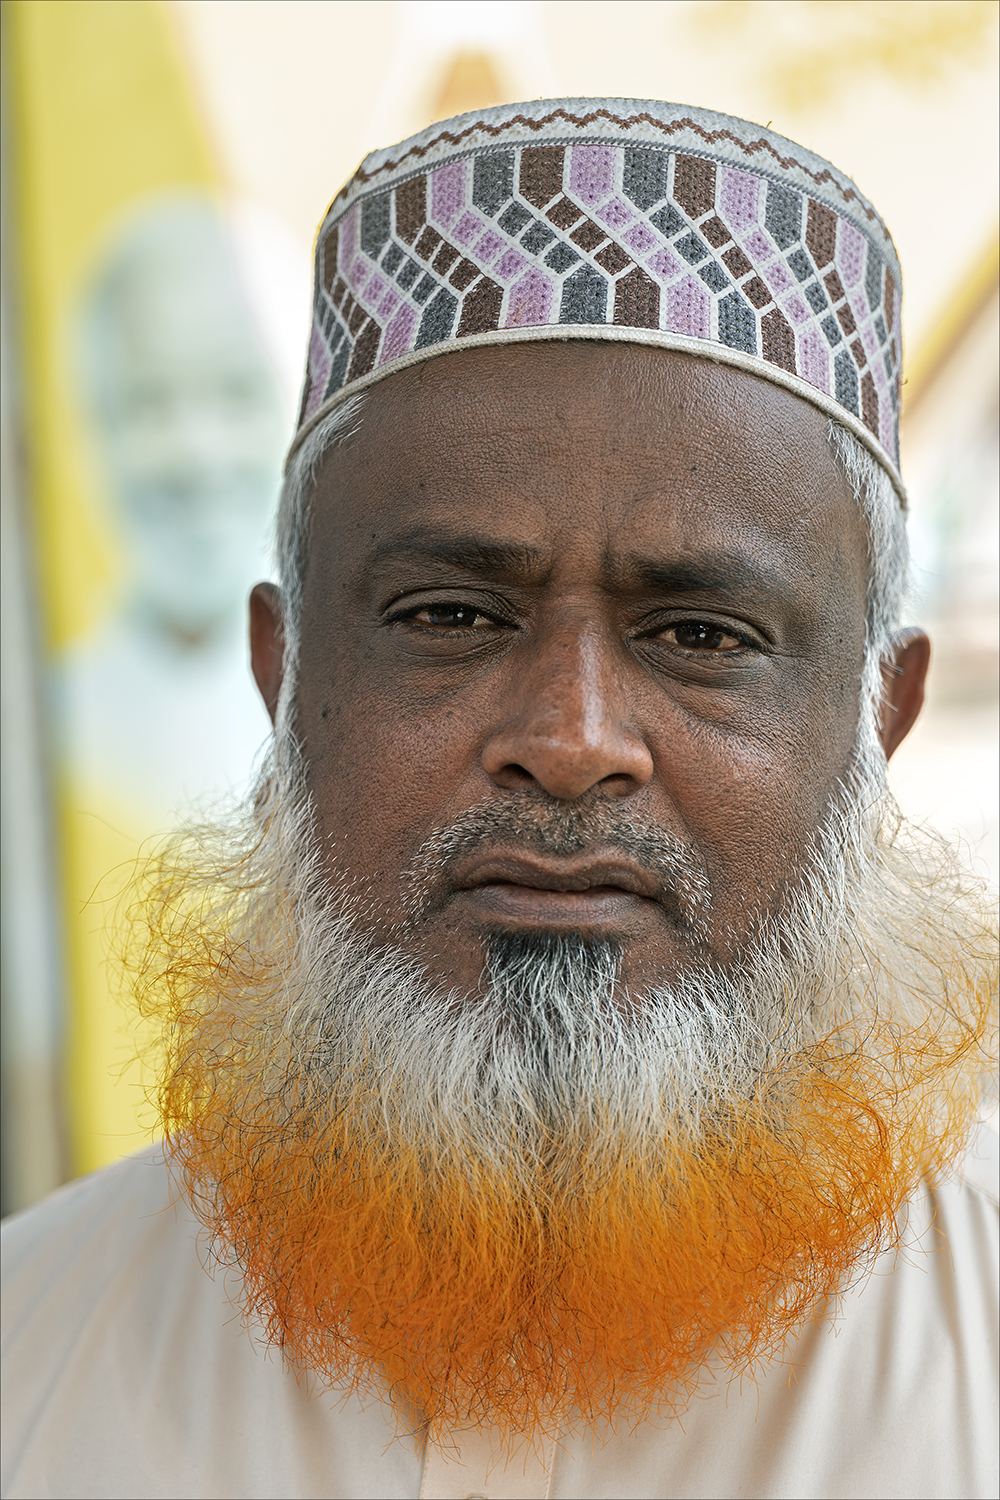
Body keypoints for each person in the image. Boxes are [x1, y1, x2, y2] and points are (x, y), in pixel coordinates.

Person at [2, 98, 997, 1500]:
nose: (571, 740)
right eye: (451, 615)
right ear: (283, 676)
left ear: (878, 716)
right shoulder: (31, 1357)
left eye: (701, 635)